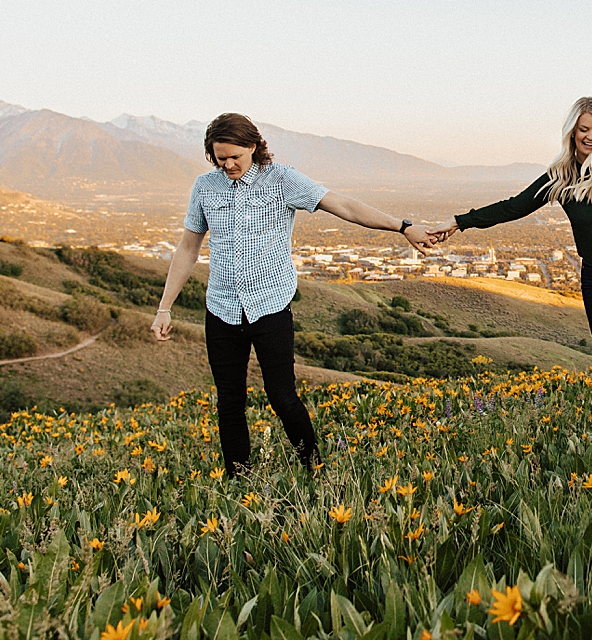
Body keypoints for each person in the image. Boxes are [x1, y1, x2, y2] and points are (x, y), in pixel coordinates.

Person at [151, 112, 433, 475]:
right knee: (229, 403)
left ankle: (314, 467)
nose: (229, 164)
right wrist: (164, 308)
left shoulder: (282, 179)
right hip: (221, 310)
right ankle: (240, 480)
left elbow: (343, 206)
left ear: (253, 146)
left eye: (235, 156)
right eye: (220, 158)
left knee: (282, 397)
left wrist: (403, 226)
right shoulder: (205, 187)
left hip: (269, 308)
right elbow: (188, 247)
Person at [421, 96, 592, 429]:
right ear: (572, 131)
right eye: (584, 129)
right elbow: (513, 207)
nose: (590, 137)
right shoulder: (561, 179)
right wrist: (458, 222)